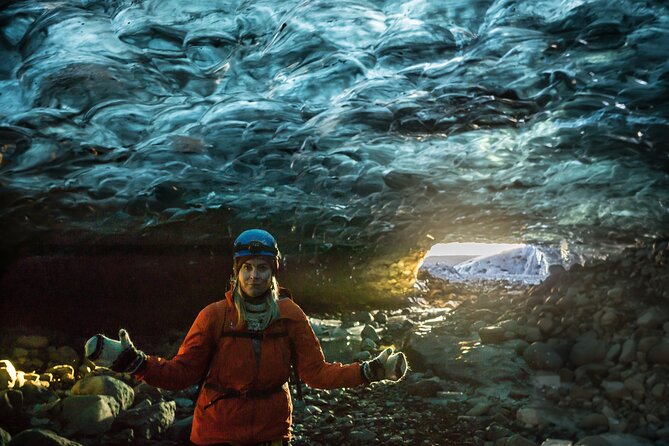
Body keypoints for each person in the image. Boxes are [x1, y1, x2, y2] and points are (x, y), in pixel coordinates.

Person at [85, 229, 408, 446]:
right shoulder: (214, 316)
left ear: (273, 272)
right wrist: (135, 362)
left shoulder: (290, 315)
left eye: (263, 268)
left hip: (272, 433)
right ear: (236, 272)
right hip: (216, 434)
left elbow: (316, 373)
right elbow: (182, 373)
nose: (255, 275)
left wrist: (370, 371)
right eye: (248, 268)